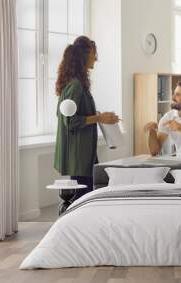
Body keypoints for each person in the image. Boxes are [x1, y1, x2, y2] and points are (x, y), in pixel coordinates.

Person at [54, 36, 119, 201]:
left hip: (83, 154)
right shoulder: (75, 85)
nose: (96, 59)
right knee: (84, 198)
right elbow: (69, 121)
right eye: (93, 55)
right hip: (79, 156)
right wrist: (99, 118)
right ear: (84, 56)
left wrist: (100, 117)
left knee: (86, 196)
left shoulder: (76, 84)